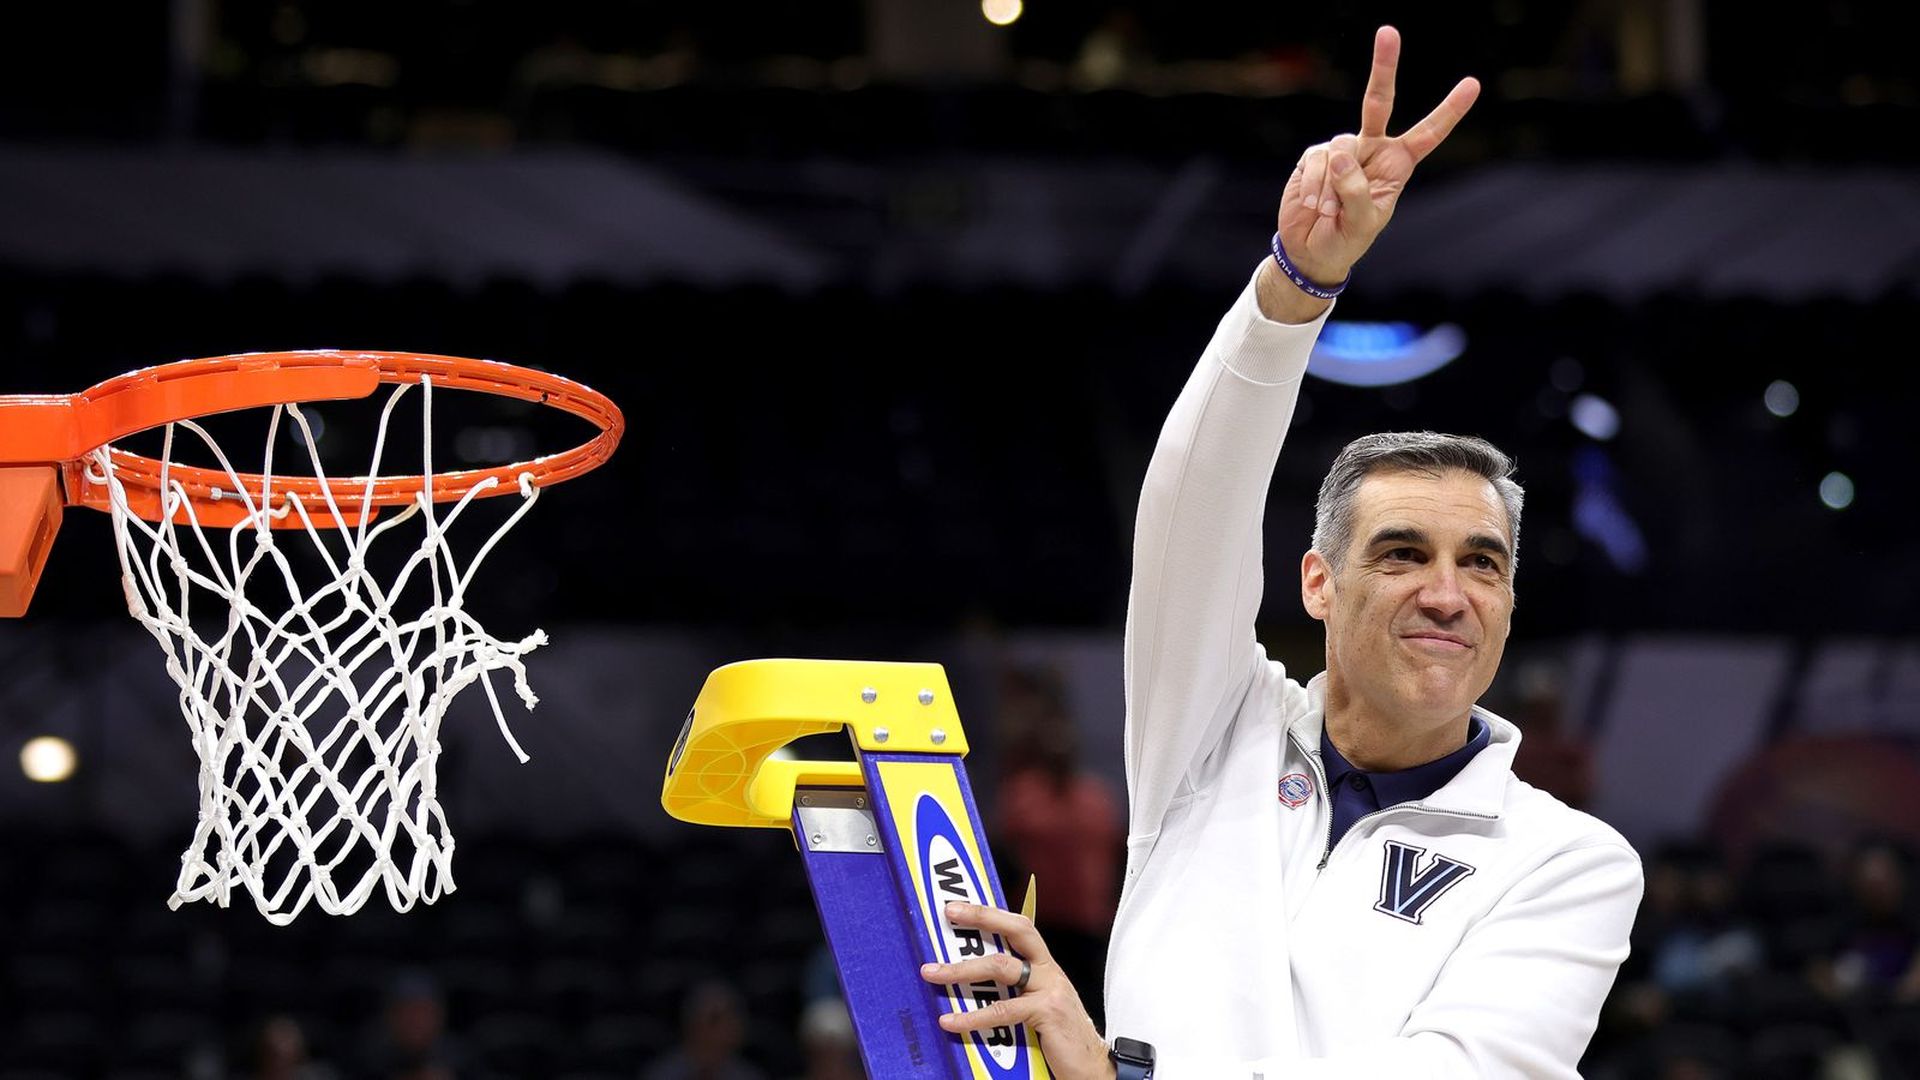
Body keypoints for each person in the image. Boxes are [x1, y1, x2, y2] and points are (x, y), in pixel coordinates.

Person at [919, 25, 1642, 1079]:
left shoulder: (1569, 863)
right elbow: (1191, 508)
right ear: (1316, 580)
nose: (1448, 592)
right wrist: (1295, 285)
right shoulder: (1214, 732)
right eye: (1401, 553)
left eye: (1481, 563)